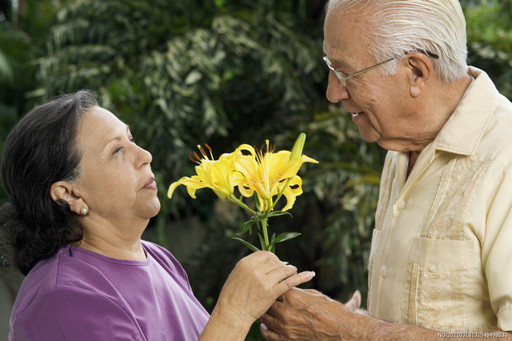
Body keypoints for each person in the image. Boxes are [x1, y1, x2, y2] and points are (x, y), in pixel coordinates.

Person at [260, 0, 512, 340]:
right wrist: (335, 325)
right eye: (329, 66)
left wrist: (350, 331)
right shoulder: (401, 145)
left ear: (417, 73)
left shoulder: (504, 160)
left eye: (346, 72)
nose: (333, 92)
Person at [0, 90, 315, 341]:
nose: (145, 156)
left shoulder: (157, 258)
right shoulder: (61, 298)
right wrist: (232, 315)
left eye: (131, 140)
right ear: (69, 194)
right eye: (116, 151)